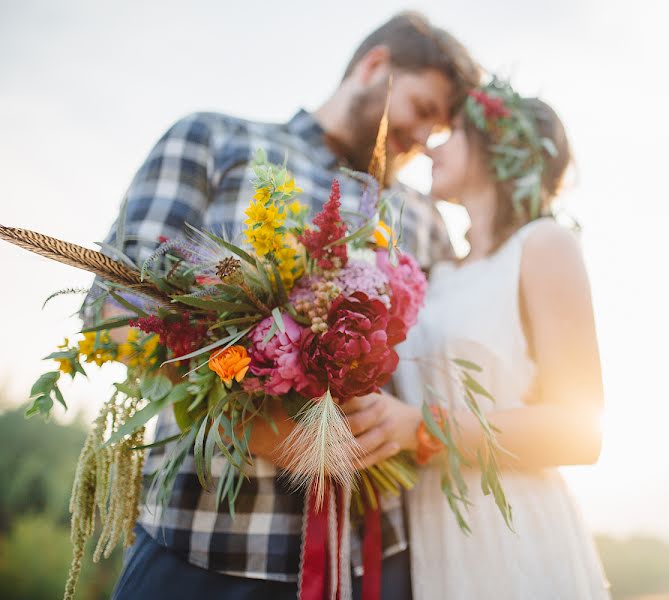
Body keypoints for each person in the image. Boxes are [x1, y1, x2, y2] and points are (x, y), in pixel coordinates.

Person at [83, 12, 480, 600]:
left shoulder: (424, 219)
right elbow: (114, 307)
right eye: (422, 110)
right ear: (375, 66)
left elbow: (450, 358)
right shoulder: (216, 140)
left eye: (438, 131)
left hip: (375, 562)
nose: (423, 141)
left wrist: (411, 428)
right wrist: (253, 418)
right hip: (203, 549)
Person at [341, 79, 614, 598]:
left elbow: (581, 431)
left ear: (497, 148)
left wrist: (421, 429)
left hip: (514, 531)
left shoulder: (543, 244)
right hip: (434, 540)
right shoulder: (438, 273)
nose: (432, 146)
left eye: (455, 133)